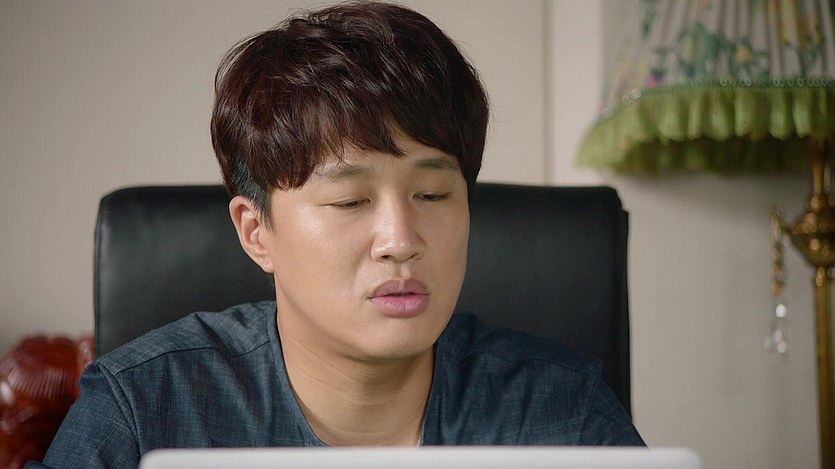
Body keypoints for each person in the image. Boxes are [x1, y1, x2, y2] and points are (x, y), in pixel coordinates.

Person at [37, 1, 643, 466]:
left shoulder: (563, 412)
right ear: (256, 232)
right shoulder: (143, 411)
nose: (400, 240)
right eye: (350, 201)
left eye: (433, 195)